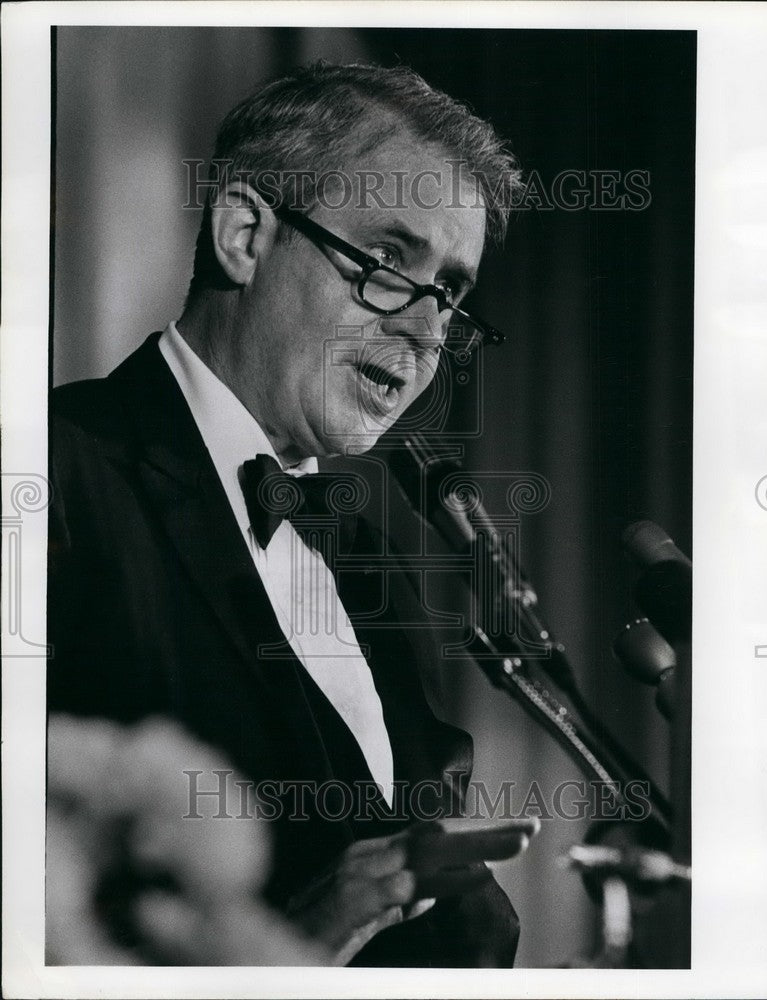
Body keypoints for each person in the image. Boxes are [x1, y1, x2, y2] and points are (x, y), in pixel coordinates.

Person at [48, 61, 529, 967]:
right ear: (243, 233)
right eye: (388, 261)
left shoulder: (366, 565)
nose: (427, 333)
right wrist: (297, 946)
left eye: (452, 292)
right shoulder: (51, 470)